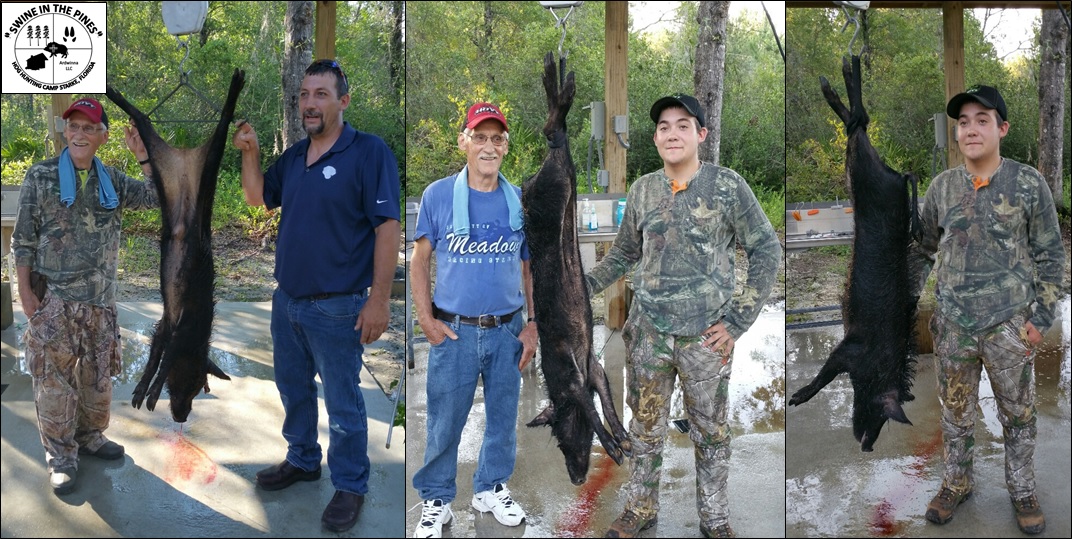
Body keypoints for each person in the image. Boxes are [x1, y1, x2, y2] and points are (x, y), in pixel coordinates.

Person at [587, 95, 781, 539]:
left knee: (710, 434)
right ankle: (640, 509)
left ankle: (714, 520)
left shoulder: (728, 186)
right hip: (649, 335)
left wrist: (737, 321)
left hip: (705, 341)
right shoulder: (643, 190)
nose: (672, 134)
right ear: (655, 138)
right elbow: (622, 255)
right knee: (646, 427)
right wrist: (578, 288)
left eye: (682, 125)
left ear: (701, 135)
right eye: (663, 127)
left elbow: (766, 248)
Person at [231, 59, 401, 533]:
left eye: (321, 94)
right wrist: (251, 150)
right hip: (287, 302)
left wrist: (379, 300)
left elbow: (388, 227)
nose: (309, 103)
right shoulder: (294, 157)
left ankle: (350, 484)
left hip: (338, 305)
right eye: (305, 94)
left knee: (344, 404)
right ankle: (303, 460)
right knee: (293, 391)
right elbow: (256, 196)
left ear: (343, 101)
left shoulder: (369, 153)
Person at [912, 85, 1064, 535]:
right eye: (963, 122)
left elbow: (1052, 256)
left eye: (982, 120)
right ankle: (956, 483)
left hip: (1009, 327)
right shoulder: (941, 188)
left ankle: (1021, 490)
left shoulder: (1027, 183)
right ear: (955, 133)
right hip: (954, 326)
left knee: (1017, 415)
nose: (971, 129)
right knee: (955, 413)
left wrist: (1039, 319)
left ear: (1002, 128)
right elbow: (921, 252)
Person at [13, 97, 158, 496]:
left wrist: (144, 157)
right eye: (73, 126)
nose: (79, 133)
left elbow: (156, 198)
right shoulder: (40, 176)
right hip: (55, 300)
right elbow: (22, 243)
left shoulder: (111, 178)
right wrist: (26, 297)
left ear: (102, 136)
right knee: (54, 385)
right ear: (65, 132)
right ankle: (61, 457)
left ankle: (91, 438)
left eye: (88, 127)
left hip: (101, 301)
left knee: (98, 382)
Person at [409, 102, 538, 538]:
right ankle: (437, 500)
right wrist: (424, 318)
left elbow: (528, 267)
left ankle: (490, 487)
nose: (488, 146)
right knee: (444, 422)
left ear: (506, 145)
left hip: (507, 330)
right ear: (464, 141)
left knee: (503, 419)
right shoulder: (438, 195)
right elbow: (420, 259)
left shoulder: (518, 199)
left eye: (497, 138)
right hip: (454, 331)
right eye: (479, 137)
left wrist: (533, 323)